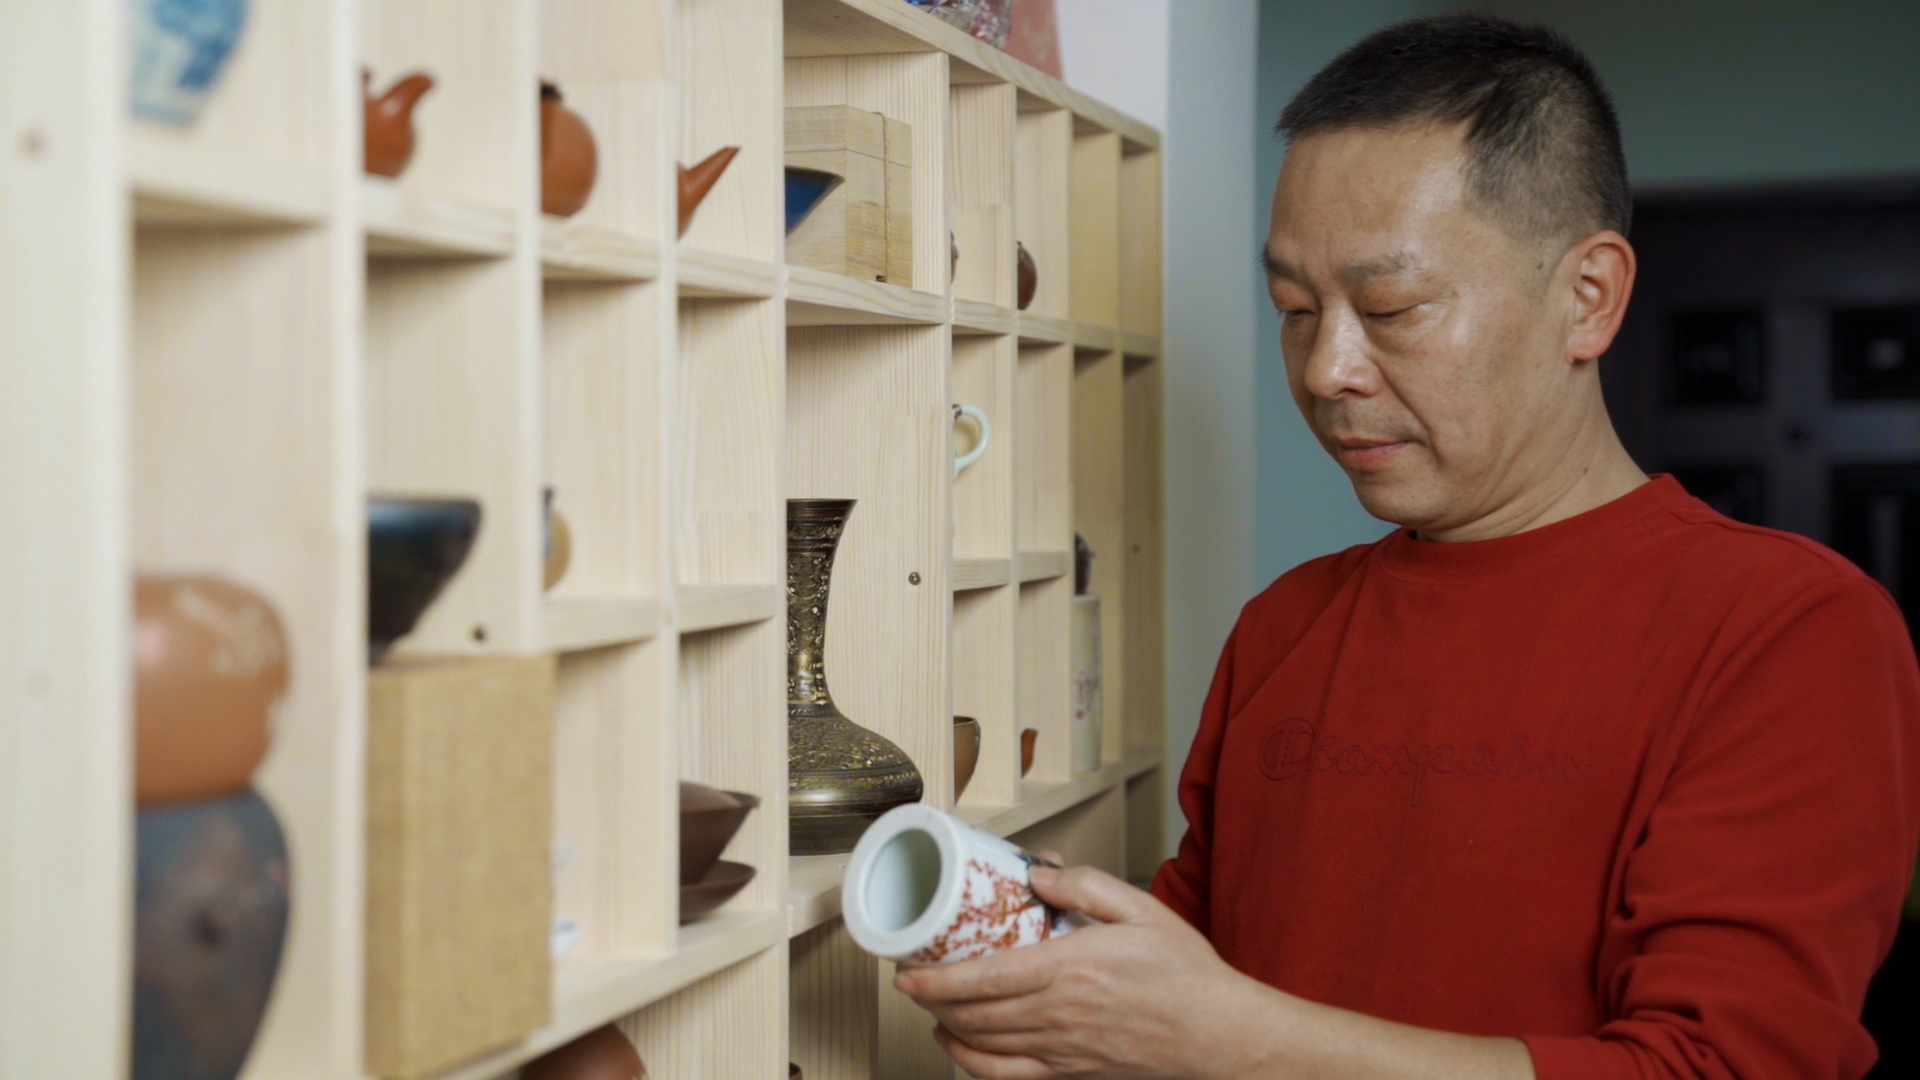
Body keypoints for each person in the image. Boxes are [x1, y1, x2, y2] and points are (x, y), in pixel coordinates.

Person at [896, 13, 1920, 1080]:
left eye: (1392, 307)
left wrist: (1218, 1040)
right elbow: (1199, 979)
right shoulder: (1287, 625)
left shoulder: (1788, 631)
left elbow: (1720, 1066)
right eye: (1295, 308)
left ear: (1589, 299)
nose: (1326, 369)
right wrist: (1068, 1000)